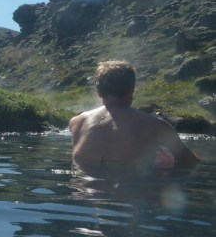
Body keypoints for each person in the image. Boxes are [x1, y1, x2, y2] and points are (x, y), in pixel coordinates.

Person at [69, 60, 200, 173]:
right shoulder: (156, 125)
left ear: (99, 93)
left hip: (86, 195)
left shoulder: (77, 122)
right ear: (132, 89)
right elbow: (190, 161)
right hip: (134, 196)